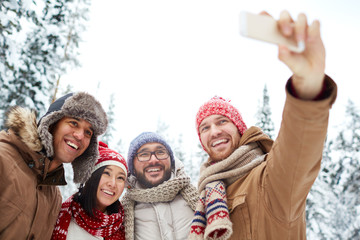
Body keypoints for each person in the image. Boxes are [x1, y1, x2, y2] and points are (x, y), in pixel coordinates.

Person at [189, 11, 337, 240]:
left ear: (239, 128)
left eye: (222, 121)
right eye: (204, 128)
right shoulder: (206, 195)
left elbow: (298, 151)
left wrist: (308, 86)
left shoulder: (270, 180)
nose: (214, 131)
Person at [0, 92, 108, 239]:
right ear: (52, 123)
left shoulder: (54, 197)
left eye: (88, 132)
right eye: (74, 123)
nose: (80, 135)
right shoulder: (3, 160)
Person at [121, 132, 199, 240]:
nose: (153, 160)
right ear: (132, 167)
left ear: (171, 161)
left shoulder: (200, 196)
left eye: (160, 152)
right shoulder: (120, 213)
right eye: (144, 154)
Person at [51, 141, 127, 240]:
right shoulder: (59, 215)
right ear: (91, 176)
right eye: (107, 173)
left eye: (120, 178)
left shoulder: (125, 227)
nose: (113, 184)